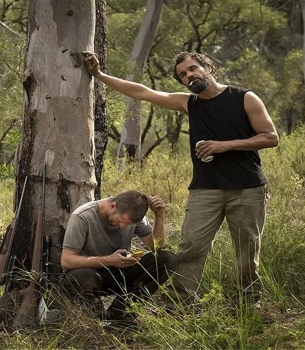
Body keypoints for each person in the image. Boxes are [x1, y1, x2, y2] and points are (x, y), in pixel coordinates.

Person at [82, 51, 279, 310]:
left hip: (247, 188)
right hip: (205, 189)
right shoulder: (189, 103)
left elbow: (270, 137)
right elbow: (142, 92)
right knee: (190, 247)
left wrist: (224, 146)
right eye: (183, 75)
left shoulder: (244, 98)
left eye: (193, 69)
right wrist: (98, 75)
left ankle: (247, 303)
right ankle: (179, 304)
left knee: (247, 249)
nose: (189, 76)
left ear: (208, 67)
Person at [61, 190, 179, 321]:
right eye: (120, 221)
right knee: (80, 276)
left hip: (119, 272)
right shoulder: (83, 216)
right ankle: (98, 319)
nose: (123, 226)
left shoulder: (134, 216)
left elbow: (155, 247)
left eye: (128, 224)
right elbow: (66, 261)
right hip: (91, 276)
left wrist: (159, 216)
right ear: (112, 206)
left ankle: (121, 312)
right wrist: (109, 260)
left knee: (168, 259)